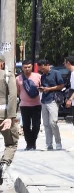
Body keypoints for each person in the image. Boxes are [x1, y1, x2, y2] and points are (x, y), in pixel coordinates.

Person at [0, 54, 19, 185]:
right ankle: (4, 164)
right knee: (11, 143)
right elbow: (13, 96)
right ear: (2, 63)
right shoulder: (7, 75)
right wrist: (10, 117)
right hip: (3, 115)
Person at [38, 59, 65, 151]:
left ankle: (58, 142)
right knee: (46, 124)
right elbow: (44, 86)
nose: (42, 70)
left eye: (43, 68)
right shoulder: (42, 76)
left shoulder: (56, 73)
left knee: (53, 122)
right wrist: (42, 89)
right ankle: (48, 144)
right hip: (44, 100)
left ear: (48, 65)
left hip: (53, 99)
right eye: (41, 69)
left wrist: (49, 89)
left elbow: (61, 85)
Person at [16, 59, 42, 150]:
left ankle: (33, 142)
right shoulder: (18, 78)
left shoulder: (38, 76)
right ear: (22, 68)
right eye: (25, 67)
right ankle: (29, 144)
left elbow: (42, 88)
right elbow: (18, 92)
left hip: (36, 105)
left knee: (36, 125)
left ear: (32, 67)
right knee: (26, 126)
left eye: (29, 67)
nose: (27, 69)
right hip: (24, 105)